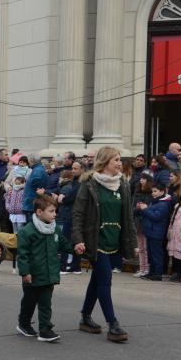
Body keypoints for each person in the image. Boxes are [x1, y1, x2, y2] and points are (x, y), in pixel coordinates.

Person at [72, 146, 137, 343]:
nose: (119, 163)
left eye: (119, 160)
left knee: (97, 280)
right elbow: (78, 213)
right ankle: (113, 324)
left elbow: (128, 216)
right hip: (95, 240)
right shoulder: (90, 183)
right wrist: (78, 239)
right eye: (116, 160)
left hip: (114, 240)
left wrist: (132, 242)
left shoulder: (123, 184)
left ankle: (85, 317)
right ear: (105, 162)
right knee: (105, 280)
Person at [16, 194, 77, 342]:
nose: (55, 214)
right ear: (39, 212)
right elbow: (22, 254)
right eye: (51, 211)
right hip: (32, 275)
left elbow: (63, 244)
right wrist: (25, 272)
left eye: (55, 211)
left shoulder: (54, 229)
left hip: (49, 274)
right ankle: (23, 324)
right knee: (29, 302)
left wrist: (75, 249)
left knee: (45, 303)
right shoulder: (27, 231)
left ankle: (44, 329)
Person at [138, 183, 172, 281]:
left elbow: (156, 217)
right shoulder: (155, 202)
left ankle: (158, 273)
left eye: (155, 191)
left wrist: (145, 209)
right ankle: (151, 272)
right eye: (152, 191)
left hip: (156, 233)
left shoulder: (164, 204)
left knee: (156, 254)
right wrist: (142, 208)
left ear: (162, 192)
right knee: (151, 253)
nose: (153, 193)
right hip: (150, 231)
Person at [57, 163, 82, 275]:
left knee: (67, 239)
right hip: (74, 214)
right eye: (72, 168)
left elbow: (72, 197)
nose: (73, 170)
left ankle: (64, 266)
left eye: (75, 168)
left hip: (73, 214)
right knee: (74, 239)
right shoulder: (76, 181)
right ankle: (75, 266)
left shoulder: (81, 182)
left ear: (82, 169)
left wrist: (62, 199)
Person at [132, 172, 153, 277]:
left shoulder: (151, 194)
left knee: (146, 247)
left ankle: (147, 269)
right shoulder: (137, 192)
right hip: (138, 223)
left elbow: (149, 208)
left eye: (143, 179)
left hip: (147, 222)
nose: (141, 180)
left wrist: (143, 207)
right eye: (140, 179)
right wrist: (139, 208)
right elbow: (133, 208)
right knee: (140, 247)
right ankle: (142, 268)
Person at [22, 153, 48, 219]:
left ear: (32, 161)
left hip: (32, 204)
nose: (28, 163)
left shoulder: (37, 170)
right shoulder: (37, 169)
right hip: (32, 202)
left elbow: (33, 184)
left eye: (28, 161)